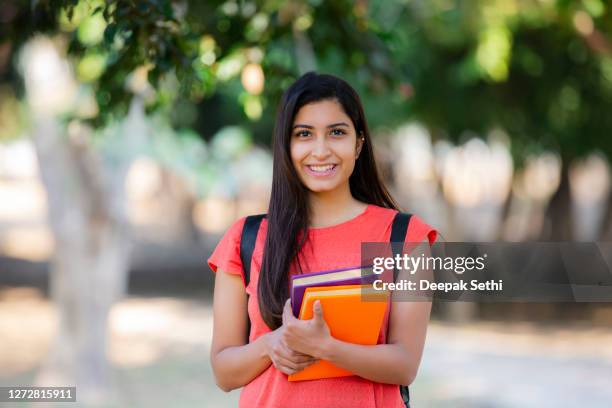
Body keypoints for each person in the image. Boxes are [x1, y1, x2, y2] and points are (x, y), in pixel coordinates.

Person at [208, 72, 437, 407]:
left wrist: (326, 348)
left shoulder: (405, 238)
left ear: (358, 143)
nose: (320, 150)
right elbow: (223, 372)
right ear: (286, 146)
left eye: (336, 133)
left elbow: (405, 365)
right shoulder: (246, 238)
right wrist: (271, 344)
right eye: (304, 134)